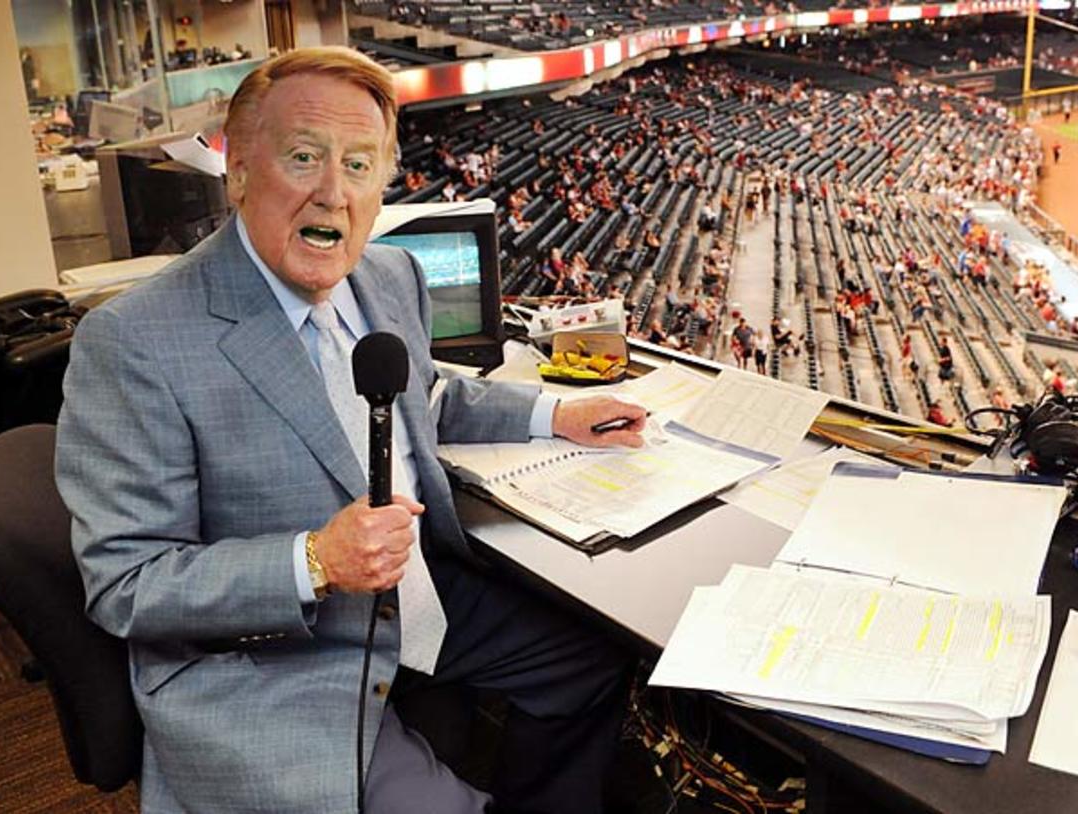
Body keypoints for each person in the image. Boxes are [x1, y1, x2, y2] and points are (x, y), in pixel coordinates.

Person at [55, 48, 645, 814]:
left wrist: (554, 414)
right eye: (304, 157)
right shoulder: (133, 341)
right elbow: (126, 583)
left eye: (360, 165)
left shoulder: (389, 275)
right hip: (267, 660)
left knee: (593, 669)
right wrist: (314, 561)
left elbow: (422, 398)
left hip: (416, 601)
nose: (334, 192)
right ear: (237, 169)